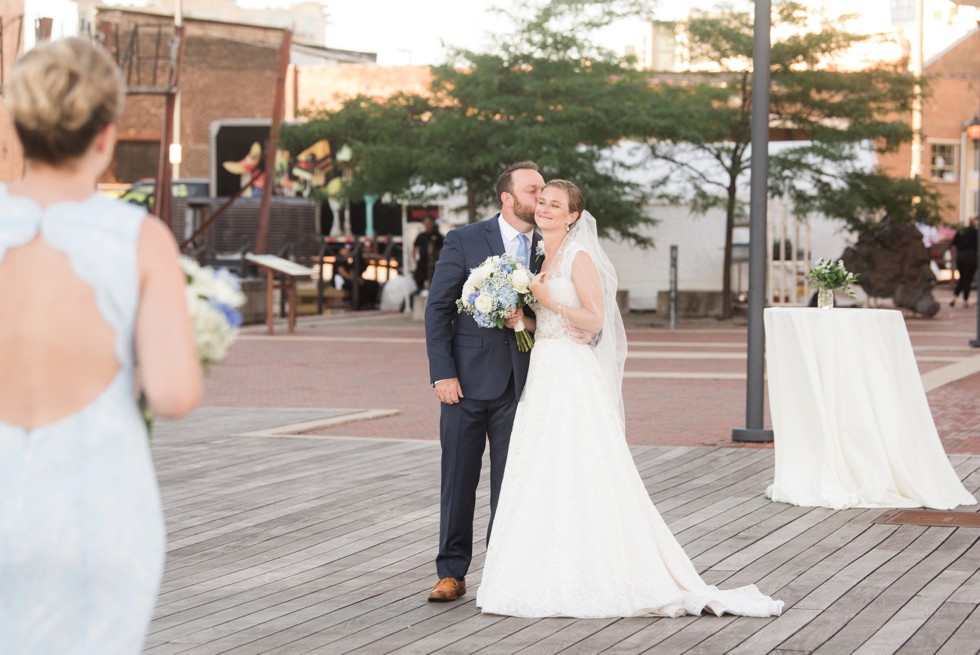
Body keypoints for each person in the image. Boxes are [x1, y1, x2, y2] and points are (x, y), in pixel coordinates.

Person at [475, 180, 783, 618]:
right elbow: (544, 321)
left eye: (554, 205)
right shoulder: (542, 256)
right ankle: (542, 569)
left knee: (579, 464)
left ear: (573, 216)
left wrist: (546, 300)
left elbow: (594, 317)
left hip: (570, 375)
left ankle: (598, 572)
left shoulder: (579, 257)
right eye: (541, 202)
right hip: (544, 369)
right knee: (542, 465)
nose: (543, 208)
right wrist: (518, 319)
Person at [0, 38, 202, 652]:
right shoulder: (137, 237)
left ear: (14, 125)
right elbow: (173, 393)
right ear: (106, 136)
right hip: (96, 501)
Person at [423, 161, 545, 602]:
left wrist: (525, 318)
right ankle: (451, 572)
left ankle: (501, 571)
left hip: (525, 384)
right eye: (534, 190)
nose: (543, 197)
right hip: (465, 384)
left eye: (546, 190)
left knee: (511, 484)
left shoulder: (553, 246)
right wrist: (442, 373)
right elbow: (438, 309)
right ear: (507, 198)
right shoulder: (465, 239)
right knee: (458, 478)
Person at [950, 217, 977, 308]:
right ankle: (965, 300)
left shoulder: (961, 231)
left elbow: (953, 244)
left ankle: (954, 298)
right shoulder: (975, 232)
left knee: (963, 278)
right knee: (967, 279)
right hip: (971, 257)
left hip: (960, 256)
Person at [413, 216, 444, 294]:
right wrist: (414, 259)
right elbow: (415, 247)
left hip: (434, 261)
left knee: (433, 276)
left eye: (429, 223)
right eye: (425, 223)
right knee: (419, 276)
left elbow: (443, 248)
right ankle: (420, 289)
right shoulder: (421, 236)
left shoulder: (438, 236)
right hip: (423, 260)